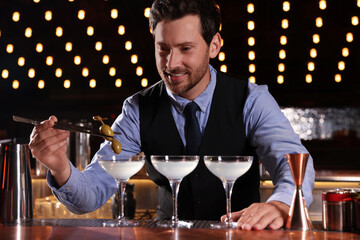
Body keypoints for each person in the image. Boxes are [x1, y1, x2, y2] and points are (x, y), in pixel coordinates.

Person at [29, 0, 315, 230]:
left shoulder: (251, 100)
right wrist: (59, 167)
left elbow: (293, 162)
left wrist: (281, 204)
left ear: (214, 45)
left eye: (185, 49)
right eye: (162, 49)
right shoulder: (137, 109)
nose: (171, 63)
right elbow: (92, 192)